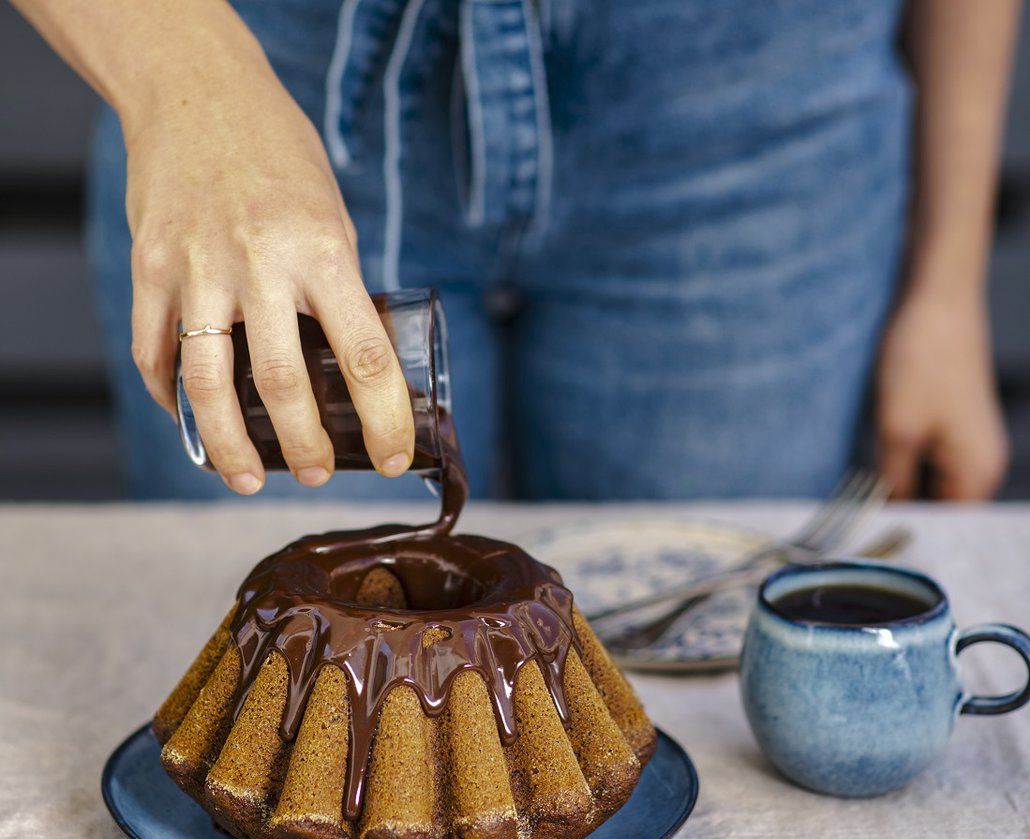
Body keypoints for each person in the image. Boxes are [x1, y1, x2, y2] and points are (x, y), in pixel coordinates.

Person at [14, 0, 1019, 501]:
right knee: (280, 678)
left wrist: (946, 284)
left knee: (705, 706)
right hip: (266, 95)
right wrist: (188, 84)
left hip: (750, 104)